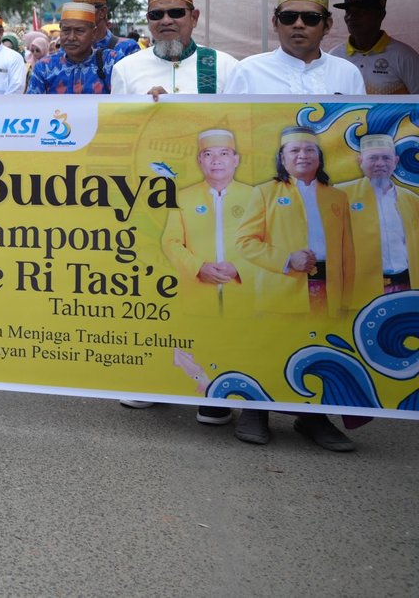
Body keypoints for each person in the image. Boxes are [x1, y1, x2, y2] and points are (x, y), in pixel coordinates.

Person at [231, 126, 358, 451]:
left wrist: (346, 298)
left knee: (321, 353)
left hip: (326, 290)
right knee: (271, 349)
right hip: (282, 289)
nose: (302, 156)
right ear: (282, 159)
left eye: (309, 150)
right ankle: (255, 411)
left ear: (320, 156)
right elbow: (244, 242)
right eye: (294, 151)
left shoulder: (337, 197)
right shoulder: (265, 193)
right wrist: (287, 259)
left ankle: (313, 418)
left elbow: (347, 252)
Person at [147, 129, 260, 425]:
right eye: (208, 155)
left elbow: (268, 243)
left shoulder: (256, 196)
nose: (216, 161)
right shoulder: (183, 197)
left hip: (244, 292)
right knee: (195, 343)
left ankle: (225, 398)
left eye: (224, 154)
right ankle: (197, 391)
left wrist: (239, 268)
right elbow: (171, 242)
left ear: (236, 159)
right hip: (198, 290)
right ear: (199, 160)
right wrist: (198, 267)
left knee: (242, 344)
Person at [228, 0, 366, 95]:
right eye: (288, 17)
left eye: (311, 17)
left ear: (327, 25)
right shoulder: (248, 70)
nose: (298, 24)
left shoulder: (347, 72)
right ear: (275, 23)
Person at [111, 0, 238, 97]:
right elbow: (117, 120)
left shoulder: (226, 67)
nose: (166, 21)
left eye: (176, 13)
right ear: (149, 20)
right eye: (156, 15)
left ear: (194, 18)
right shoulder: (126, 70)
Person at [338, 133, 417, 295]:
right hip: (359, 287)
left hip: (406, 283)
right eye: (373, 158)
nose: (380, 163)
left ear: (395, 162)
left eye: (386, 158)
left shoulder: (412, 199)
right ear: (360, 161)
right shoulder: (340, 194)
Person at [330, 0, 419, 94]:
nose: (351, 17)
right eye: (348, 12)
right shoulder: (335, 55)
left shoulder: (404, 56)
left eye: (361, 12)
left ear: (381, 15)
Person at [26, 3, 112, 94]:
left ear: (93, 33)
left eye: (79, 31)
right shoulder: (45, 67)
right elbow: (32, 106)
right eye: (66, 30)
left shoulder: (110, 62)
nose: (71, 38)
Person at [72, 0, 139, 66]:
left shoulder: (127, 48)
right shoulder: (70, 49)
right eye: (75, 12)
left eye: (84, 11)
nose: (78, 17)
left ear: (102, 12)